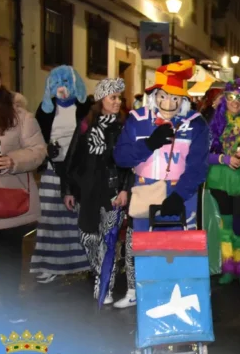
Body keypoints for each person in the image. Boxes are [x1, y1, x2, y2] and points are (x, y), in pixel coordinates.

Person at [113, 59, 210, 308]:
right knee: (143, 247)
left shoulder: (196, 123)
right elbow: (121, 157)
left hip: (180, 194)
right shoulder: (137, 119)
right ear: (155, 95)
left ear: (183, 100)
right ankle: (140, 293)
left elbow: (198, 166)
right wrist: (148, 144)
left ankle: (179, 299)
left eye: (176, 99)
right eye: (164, 97)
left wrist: (179, 195)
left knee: (178, 251)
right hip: (146, 191)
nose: (169, 104)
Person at [61, 78, 132, 304]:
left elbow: (131, 162)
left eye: (119, 98)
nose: (117, 101)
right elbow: (73, 156)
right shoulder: (86, 124)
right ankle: (101, 274)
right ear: (101, 98)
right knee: (88, 237)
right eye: (113, 97)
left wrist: (125, 189)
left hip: (112, 192)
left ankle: (105, 288)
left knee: (109, 240)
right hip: (88, 190)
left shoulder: (125, 125)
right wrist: (69, 189)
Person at [0, 64, 47, 323]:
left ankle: (12, 308)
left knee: (8, 261)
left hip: (4, 205)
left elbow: (38, 150)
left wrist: (12, 161)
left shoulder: (19, 117)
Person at [31, 65, 91, 283]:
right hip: (53, 171)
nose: (61, 89)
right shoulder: (45, 110)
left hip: (77, 173)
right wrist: (47, 150)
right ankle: (50, 264)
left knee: (78, 219)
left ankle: (84, 262)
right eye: (56, 85)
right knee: (50, 219)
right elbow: (36, 137)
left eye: (66, 84)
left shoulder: (85, 109)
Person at [206, 80, 240, 287]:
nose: (234, 102)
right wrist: (225, 159)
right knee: (226, 226)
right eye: (230, 98)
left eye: (239, 99)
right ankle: (228, 268)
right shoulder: (215, 124)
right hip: (220, 179)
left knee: (239, 225)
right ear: (224, 101)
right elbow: (204, 154)